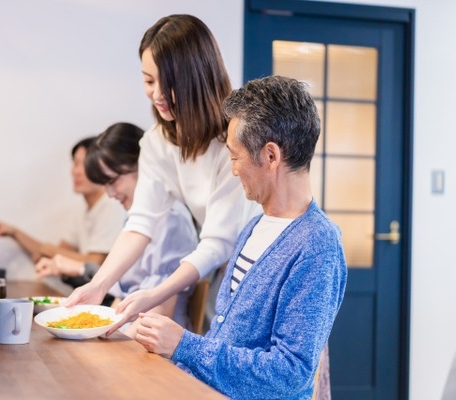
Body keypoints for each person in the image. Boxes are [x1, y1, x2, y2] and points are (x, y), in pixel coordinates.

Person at [133, 76, 348, 400]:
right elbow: (225, 340)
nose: (233, 170)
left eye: (235, 157)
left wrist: (183, 345)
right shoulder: (253, 227)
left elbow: (289, 374)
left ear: (271, 156)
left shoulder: (318, 245)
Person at [65, 14, 258, 332]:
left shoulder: (233, 139)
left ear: (196, 77)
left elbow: (218, 243)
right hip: (227, 266)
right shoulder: (157, 142)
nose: (155, 94)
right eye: (148, 80)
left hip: (261, 263)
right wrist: (98, 286)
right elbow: (140, 223)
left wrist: (156, 294)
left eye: (165, 82)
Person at [34, 122, 199, 337]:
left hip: (154, 344)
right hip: (129, 332)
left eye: (112, 181)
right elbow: (123, 298)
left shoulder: (172, 219)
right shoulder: (135, 218)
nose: (110, 193)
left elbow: (160, 313)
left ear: (142, 165)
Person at [0, 137, 126, 267]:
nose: (76, 171)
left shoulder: (111, 205)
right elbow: (52, 254)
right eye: (75, 163)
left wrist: (48, 250)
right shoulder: (84, 211)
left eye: (84, 165)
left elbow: (94, 263)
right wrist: (14, 232)